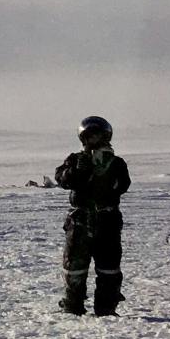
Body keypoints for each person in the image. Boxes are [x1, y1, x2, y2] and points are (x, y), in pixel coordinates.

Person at [53, 115, 131, 317]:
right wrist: (76, 170)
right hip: (80, 221)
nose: (94, 141)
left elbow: (123, 185)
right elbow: (61, 179)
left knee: (109, 267)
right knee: (74, 266)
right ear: (83, 139)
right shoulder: (76, 159)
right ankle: (73, 304)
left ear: (106, 137)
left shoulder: (116, 163)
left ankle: (106, 308)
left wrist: (104, 174)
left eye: (98, 136)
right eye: (90, 137)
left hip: (107, 221)